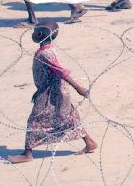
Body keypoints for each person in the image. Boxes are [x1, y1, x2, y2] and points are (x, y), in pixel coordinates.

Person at [8, 21, 98, 163]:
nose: (33, 33)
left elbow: (60, 72)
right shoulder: (47, 50)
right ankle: (89, 142)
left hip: (52, 92)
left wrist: (78, 88)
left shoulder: (46, 53)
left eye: (35, 31)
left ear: (40, 34)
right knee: (68, 117)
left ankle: (28, 153)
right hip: (51, 90)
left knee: (34, 120)